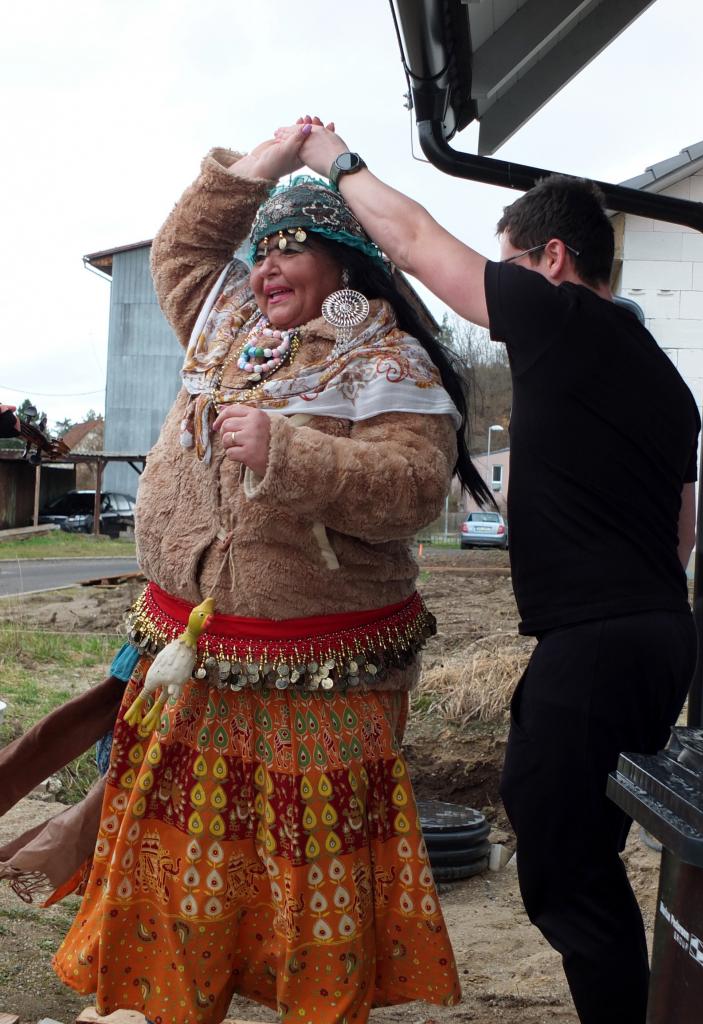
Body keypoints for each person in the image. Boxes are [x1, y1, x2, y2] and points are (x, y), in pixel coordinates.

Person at [51, 134, 491, 1024]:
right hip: (188, 660)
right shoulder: (224, 325)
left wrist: (286, 453)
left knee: (311, 876)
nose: (266, 268)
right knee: (183, 868)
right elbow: (182, 249)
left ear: (345, 262)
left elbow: (411, 488)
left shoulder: (388, 360)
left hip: (320, 680)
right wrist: (264, 163)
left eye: (291, 249)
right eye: (262, 251)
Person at [289, 118, 700, 1024]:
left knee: (563, 862)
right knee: (584, 845)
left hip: (594, 643)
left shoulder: (561, 318)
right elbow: (684, 528)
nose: (500, 282)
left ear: (552, 259)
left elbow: (415, 240)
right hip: (660, 634)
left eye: (509, 261)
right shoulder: (664, 380)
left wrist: (336, 163)